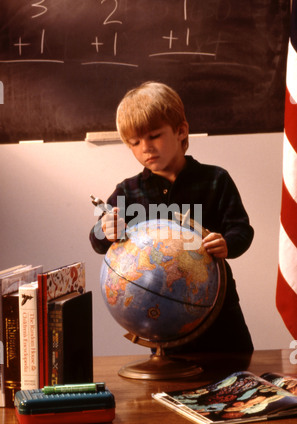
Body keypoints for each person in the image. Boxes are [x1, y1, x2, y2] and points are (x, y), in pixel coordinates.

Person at [90, 81, 254, 353]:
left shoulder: (215, 179)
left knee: (237, 378)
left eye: (154, 135)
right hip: (164, 323)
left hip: (219, 314)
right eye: (134, 142)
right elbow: (96, 238)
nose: (145, 148)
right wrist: (105, 230)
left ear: (181, 131)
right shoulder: (128, 191)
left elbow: (242, 230)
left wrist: (228, 243)